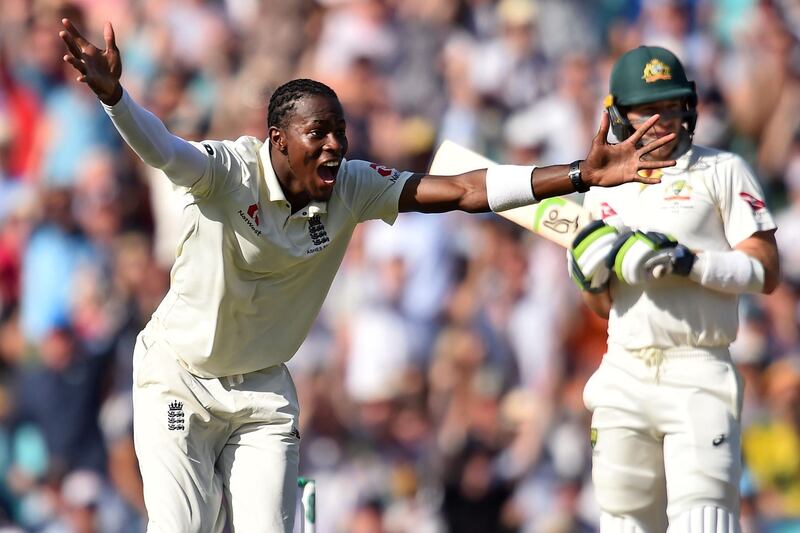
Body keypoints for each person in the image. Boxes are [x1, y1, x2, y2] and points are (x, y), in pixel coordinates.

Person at [59, 18, 677, 533]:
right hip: (179, 377)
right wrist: (116, 98)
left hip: (262, 392)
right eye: (316, 133)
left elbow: (464, 190)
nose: (333, 146)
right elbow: (164, 148)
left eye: (340, 133)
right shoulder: (230, 171)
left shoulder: (352, 186)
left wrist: (579, 174)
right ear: (277, 139)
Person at [569, 46, 780, 533]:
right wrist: (590, 274)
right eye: (648, 110)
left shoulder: (722, 169)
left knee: (703, 515)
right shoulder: (601, 188)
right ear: (619, 115)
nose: (662, 121)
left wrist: (689, 263)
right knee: (623, 517)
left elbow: (766, 271)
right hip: (624, 366)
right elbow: (601, 306)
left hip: (698, 367)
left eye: (671, 106)